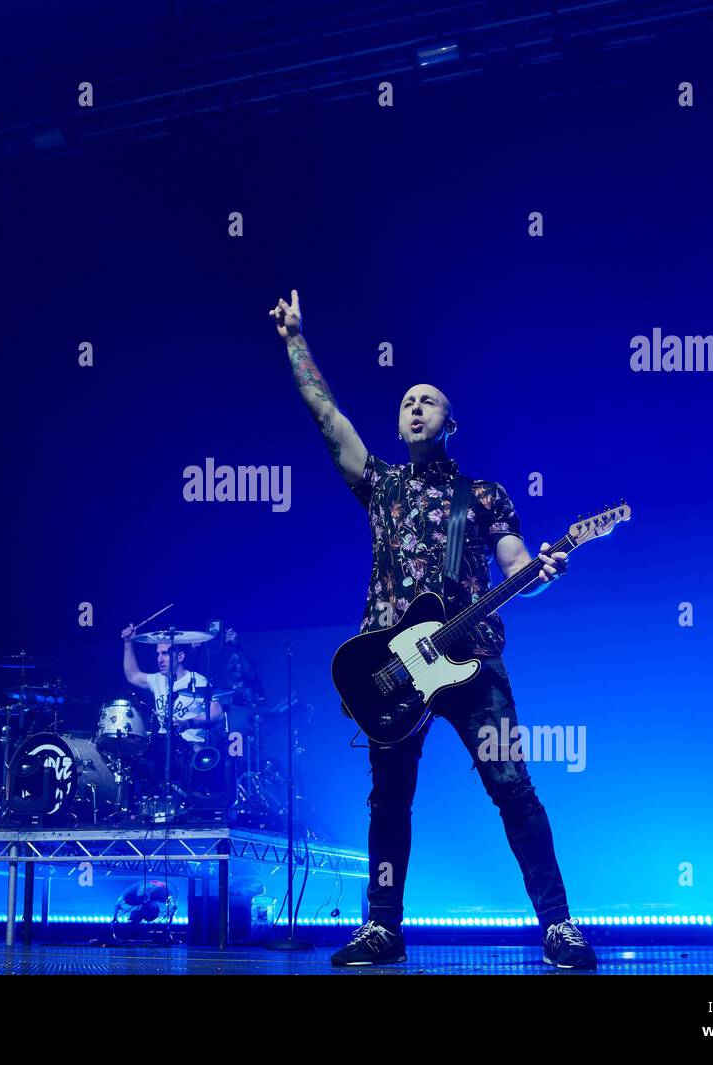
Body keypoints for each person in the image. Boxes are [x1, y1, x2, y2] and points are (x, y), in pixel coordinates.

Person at [270, 289, 597, 970]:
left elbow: (513, 560)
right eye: (406, 402)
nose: (413, 406)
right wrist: (295, 338)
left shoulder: (483, 494)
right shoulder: (381, 485)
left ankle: (560, 925)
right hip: (394, 667)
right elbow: (326, 415)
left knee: (513, 785)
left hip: (475, 661)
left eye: (428, 400)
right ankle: (382, 927)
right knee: (389, 799)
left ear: (451, 422)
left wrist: (543, 568)